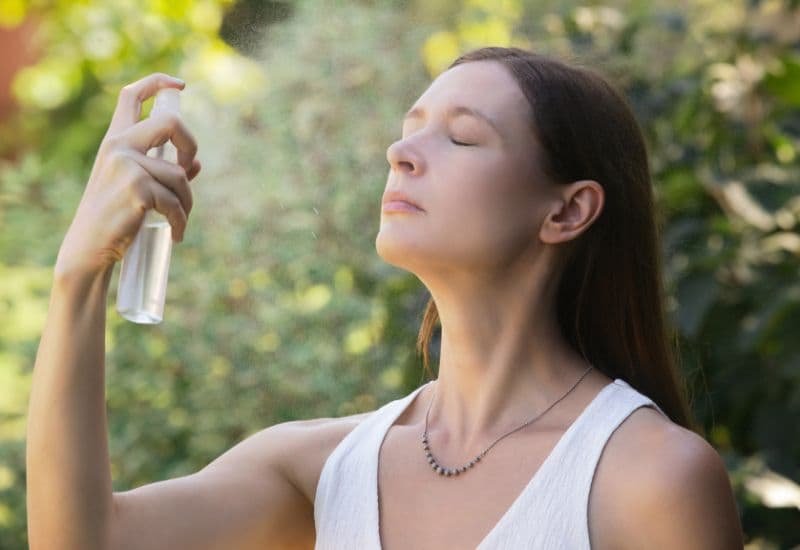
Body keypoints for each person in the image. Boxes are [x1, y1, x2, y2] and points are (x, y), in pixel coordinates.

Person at [26, 47, 744, 550]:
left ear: (566, 212)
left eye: (462, 138)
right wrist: (77, 275)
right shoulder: (321, 470)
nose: (402, 155)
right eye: (408, 131)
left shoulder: (648, 478)